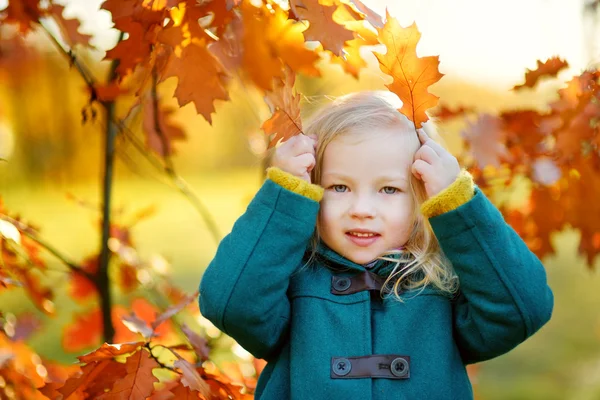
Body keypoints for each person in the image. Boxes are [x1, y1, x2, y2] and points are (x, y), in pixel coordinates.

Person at [199, 90, 554, 400]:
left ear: (422, 198)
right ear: (311, 190)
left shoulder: (441, 284)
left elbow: (525, 308)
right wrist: (284, 201)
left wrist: (458, 206)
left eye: (389, 189)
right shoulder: (291, 281)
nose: (362, 210)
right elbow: (229, 303)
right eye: (339, 187)